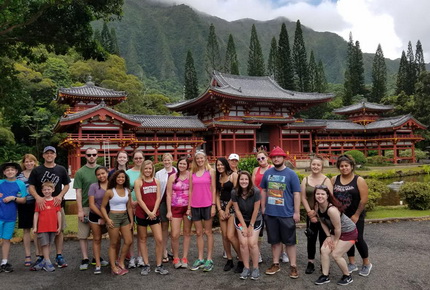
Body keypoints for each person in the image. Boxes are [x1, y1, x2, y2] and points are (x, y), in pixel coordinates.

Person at [260, 146, 300, 279]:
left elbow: (296, 194)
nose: (276, 158)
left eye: (278, 156)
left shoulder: (291, 174)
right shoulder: (268, 173)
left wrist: (296, 212)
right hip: (271, 212)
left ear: (283, 157)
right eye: (274, 157)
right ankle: (275, 264)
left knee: (290, 241)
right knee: (274, 241)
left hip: (287, 213)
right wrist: (263, 207)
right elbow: (264, 190)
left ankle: (293, 266)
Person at [28, 146, 70, 270]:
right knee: (39, 231)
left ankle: (59, 255)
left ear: (55, 155)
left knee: (59, 230)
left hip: (56, 204)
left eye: (52, 153)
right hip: (41, 205)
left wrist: (60, 195)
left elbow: (67, 185)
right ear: (43, 155)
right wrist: (37, 197)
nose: (49, 155)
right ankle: (41, 256)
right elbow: (31, 187)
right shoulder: (37, 170)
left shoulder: (61, 169)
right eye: (47, 153)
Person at [332, 154, 372, 276]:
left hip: (355, 214)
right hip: (341, 216)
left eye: (346, 165)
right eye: (342, 166)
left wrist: (357, 215)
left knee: (358, 238)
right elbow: (330, 196)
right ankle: (352, 263)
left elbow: (364, 199)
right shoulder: (334, 179)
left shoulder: (359, 180)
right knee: (346, 239)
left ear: (352, 166)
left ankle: (366, 263)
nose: (344, 168)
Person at [314, 185, 357, 286]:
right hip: (335, 232)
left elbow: (338, 228)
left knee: (336, 254)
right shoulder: (317, 206)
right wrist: (328, 237)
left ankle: (347, 276)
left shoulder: (331, 210)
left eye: (322, 194)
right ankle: (325, 276)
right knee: (324, 250)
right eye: (317, 194)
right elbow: (322, 222)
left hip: (349, 232)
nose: (320, 196)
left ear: (327, 195)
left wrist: (335, 241)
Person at [134, 160, 168, 275]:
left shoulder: (156, 181)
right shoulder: (138, 182)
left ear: (152, 169)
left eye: (150, 168)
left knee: (159, 239)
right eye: (146, 168)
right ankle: (146, 264)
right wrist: (148, 212)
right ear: (142, 169)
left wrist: (153, 212)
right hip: (142, 214)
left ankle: (159, 265)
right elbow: (139, 199)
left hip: (154, 214)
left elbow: (158, 197)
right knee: (142, 239)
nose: (148, 171)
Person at [300, 155, 333, 274]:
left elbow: (329, 198)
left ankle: (324, 263)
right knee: (311, 238)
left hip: (323, 215)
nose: (315, 167)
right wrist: (309, 212)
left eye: (318, 165)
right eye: (313, 164)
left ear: (322, 167)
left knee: (324, 239)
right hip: (311, 215)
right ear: (310, 165)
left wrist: (317, 212)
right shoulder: (306, 180)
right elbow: (303, 197)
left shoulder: (326, 180)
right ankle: (310, 262)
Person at [74, 147, 103, 270]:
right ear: (85, 156)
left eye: (94, 154)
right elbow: (78, 192)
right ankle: (85, 257)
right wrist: (80, 210)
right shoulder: (80, 172)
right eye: (89, 154)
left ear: (97, 155)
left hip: (99, 207)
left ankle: (97, 257)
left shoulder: (101, 170)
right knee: (83, 234)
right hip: (86, 206)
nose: (91, 156)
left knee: (98, 234)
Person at [100, 170, 133, 276]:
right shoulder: (110, 191)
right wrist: (107, 219)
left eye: (123, 177)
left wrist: (131, 220)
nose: (121, 179)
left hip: (124, 218)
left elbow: (129, 207)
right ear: (115, 178)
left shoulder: (128, 191)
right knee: (114, 243)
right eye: (119, 177)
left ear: (125, 179)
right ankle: (113, 266)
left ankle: (121, 261)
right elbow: (102, 207)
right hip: (113, 217)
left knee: (128, 241)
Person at [187, 151, 216, 272]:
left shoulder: (211, 172)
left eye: (201, 158)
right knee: (198, 232)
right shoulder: (192, 173)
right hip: (195, 205)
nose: (199, 160)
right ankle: (200, 258)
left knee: (208, 232)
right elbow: (190, 191)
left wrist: (213, 204)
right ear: (195, 160)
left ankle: (209, 258)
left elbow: (214, 189)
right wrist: (188, 207)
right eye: (197, 158)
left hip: (208, 204)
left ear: (205, 159)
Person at [231, 171, 263, 280]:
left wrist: (251, 226)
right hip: (241, 220)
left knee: (252, 243)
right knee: (243, 243)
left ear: (249, 180)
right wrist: (244, 226)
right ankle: (246, 267)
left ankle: (255, 268)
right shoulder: (234, 192)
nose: (243, 181)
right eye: (241, 179)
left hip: (255, 219)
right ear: (238, 180)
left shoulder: (256, 191)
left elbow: (256, 209)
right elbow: (237, 210)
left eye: (246, 179)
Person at [215, 157, 242, 273]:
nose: (220, 167)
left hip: (232, 207)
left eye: (221, 165)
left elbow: (236, 193)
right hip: (221, 207)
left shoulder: (233, 176)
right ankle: (229, 259)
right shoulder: (218, 177)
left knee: (231, 235)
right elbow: (216, 194)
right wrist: (220, 209)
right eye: (218, 165)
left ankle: (241, 258)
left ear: (226, 165)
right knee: (224, 236)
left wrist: (227, 208)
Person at [0, 162, 28, 272]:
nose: (10, 172)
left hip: (10, 216)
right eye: (7, 170)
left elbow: (23, 200)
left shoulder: (20, 184)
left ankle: (4, 262)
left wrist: (13, 198)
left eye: (12, 170)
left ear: (16, 171)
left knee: (6, 239)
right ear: (4, 172)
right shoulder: (1, 183)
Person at [166, 157, 192, 269]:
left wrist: (190, 208)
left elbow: (192, 192)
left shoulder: (190, 176)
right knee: (175, 234)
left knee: (187, 233)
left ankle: (184, 257)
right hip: (175, 207)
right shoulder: (173, 177)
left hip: (187, 207)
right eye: (180, 163)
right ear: (178, 164)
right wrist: (168, 211)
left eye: (184, 163)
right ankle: (176, 257)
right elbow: (168, 194)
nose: (182, 165)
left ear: (187, 165)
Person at [32, 182, 61, 272]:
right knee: (44, 244)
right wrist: (35, 226)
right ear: (42, 191)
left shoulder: (55, 201)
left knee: (49, 244)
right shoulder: (40, 201)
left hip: (52, 226)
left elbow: (58, 214)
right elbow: (36, 214)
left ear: (53, 190)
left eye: (48, 189)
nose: (47, 191)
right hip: (42, 227)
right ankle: (47, 262)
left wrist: (59, 226)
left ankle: (44, 262)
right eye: (45, 190)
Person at [17, 154, 40, 267]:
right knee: (26, 229)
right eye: (27, 161)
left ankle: (38, 254)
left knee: (36, 229)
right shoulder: (19, 176)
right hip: (24, 203)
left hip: (37, 203)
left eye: (31, 161)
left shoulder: (39, 173)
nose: (29, 163)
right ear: (23, 163)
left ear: (35, 162)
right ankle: (27, 255)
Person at [155, 153, 177, 263]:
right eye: (164, 160)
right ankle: (164, 250)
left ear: (172, 160)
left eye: (168, 160)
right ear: (162, 161)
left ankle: (174, 251)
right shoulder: (159, 174)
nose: (167, 162)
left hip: (176, 202)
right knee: (164, 226)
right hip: (163, 202)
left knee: (175, 228)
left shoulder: (177, 171)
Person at [88, 166, 110, 274]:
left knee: (115, 239)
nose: (101, 176)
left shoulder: (113, 185)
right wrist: (102, 216)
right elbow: (91, 204)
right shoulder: (93, 186)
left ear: (107, 172)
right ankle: (97, 263)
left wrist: (107, 217)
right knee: (97, 239)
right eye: (98, 174)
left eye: (103, 173)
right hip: (96, 215)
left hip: (111, 215)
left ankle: (115, 261)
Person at [125, 150, 145, 268]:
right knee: (130, 233)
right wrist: (131, 203)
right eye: (136, 158)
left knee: (142, 234)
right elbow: (126, 190)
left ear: (143, 159)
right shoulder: (128, 173)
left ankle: (140, 256)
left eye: (140, 158)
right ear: (133, 160)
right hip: (130, 205)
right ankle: (132, 257)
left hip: (143, 206)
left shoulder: (147, 171)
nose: (138, 160)